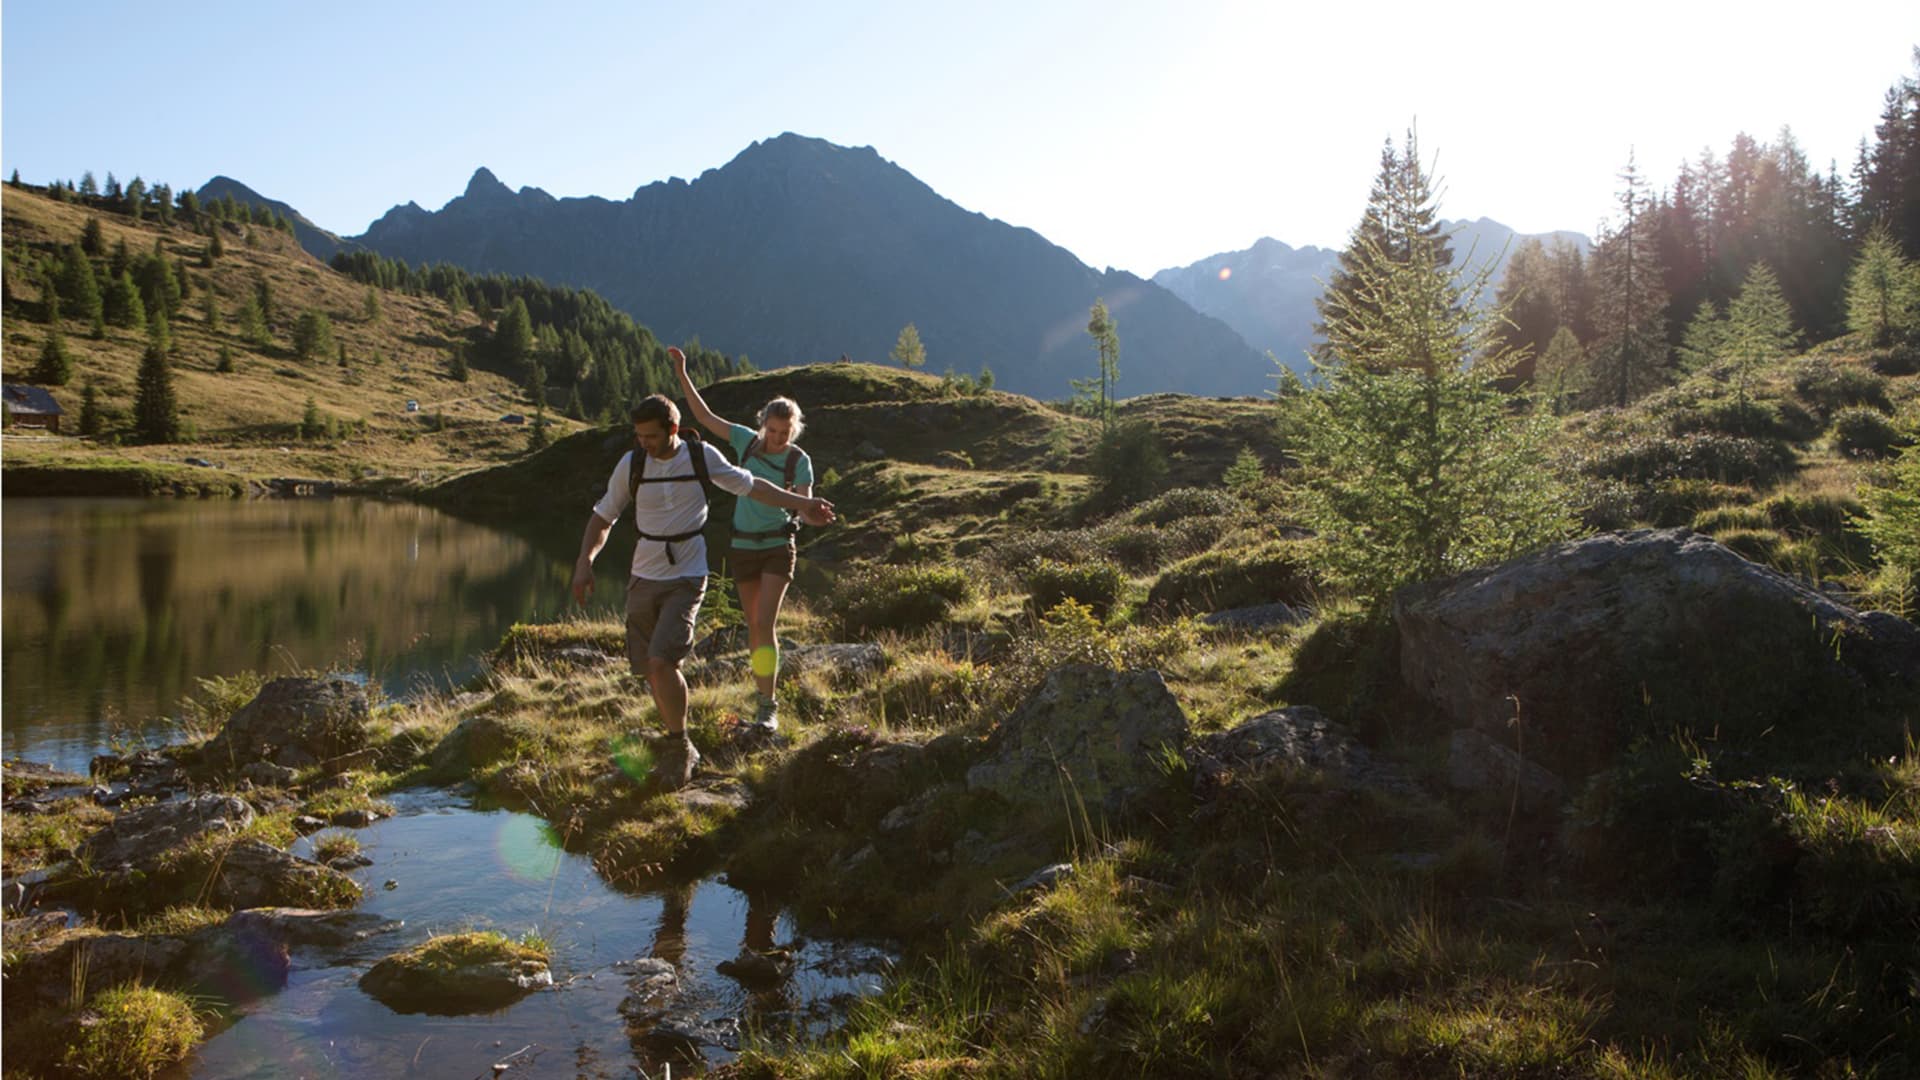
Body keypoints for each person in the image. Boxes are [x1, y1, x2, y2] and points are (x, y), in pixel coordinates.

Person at [571, 390, 834, 789]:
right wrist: (584, 563)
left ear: (673, 429)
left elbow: (753, 486)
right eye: (639, 436)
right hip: (643, 574)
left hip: (688, 574)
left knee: (663, 660)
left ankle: (682, 745)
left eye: (651, 436)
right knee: (650, 670)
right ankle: (675, 739)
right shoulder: (632, 463)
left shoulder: (700, 457)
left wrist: (803, 506)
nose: (644, 443)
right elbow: (603, 516)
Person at [671, 346, 814, 733]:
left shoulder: (798, 460)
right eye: (773, 430)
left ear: (794, 430)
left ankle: (768, 706)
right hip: (743, 547)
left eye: (786, 433)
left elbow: (803, 504)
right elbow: (704, 417)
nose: (778, 438)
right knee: (753, 625)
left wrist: (811, 513)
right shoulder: (746, 441)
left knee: (764, 623)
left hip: (777, 546)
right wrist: (682, 373)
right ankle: (762, 693)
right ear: (763, 424)